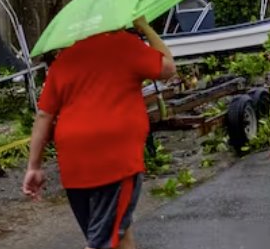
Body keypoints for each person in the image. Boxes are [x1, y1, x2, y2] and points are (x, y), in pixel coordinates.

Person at [22, 17, 176, 249]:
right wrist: (144, 26)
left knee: (116, 234)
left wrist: (34, 167)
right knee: (103, 242)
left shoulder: (64, 60)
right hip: (115, 161)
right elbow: (168, 68)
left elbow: (44, 116)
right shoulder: (124, 45)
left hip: (75, 166)